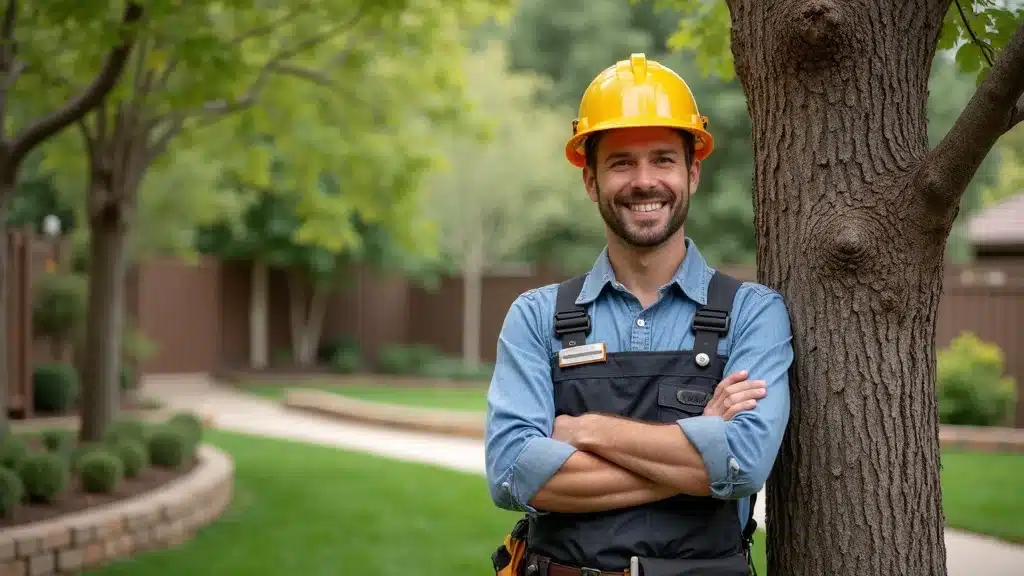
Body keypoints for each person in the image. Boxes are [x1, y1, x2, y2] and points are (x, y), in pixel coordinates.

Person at [485, 53, 794, 576]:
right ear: (591, 181)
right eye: (622, 163)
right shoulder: (536, 318)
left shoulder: (753, 314)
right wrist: (699, 442)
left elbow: (742, 464)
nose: (644, 181)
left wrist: (586, 431)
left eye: (663, 160)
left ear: (693, 173)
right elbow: (514, 475)